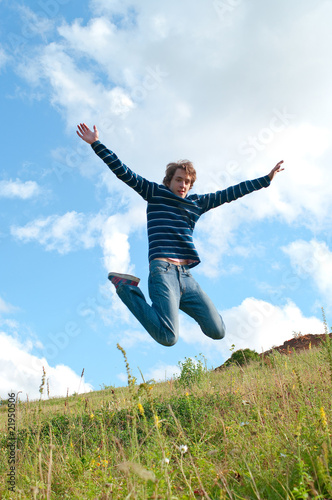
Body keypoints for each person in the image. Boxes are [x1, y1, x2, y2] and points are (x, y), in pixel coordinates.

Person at [76, 123, 284, 347]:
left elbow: (230, 193)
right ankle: (126, 288)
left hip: (186, 277)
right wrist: (96, 144)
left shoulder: (197, 203)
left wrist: (265, 180)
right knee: (168, 337)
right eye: (178, 179)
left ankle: (173, 301)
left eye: (187, 182)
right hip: (162, 272)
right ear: (169, 181)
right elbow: (124, 172)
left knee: (218, 330)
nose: (183, 184)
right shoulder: (155, 193)